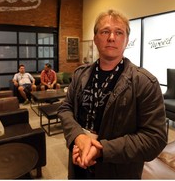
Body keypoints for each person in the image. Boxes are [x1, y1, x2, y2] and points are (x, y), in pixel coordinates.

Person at [57, 9, 167, 179]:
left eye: (119, 32)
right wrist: (77, 136)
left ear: (126, 40)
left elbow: (154, 139)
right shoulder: (80, 75)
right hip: (78, 162)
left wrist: (102, 149)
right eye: (105, 31)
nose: (111, 37)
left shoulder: (145, 83)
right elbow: (65, 109)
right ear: (95, 38)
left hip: (118, 171)